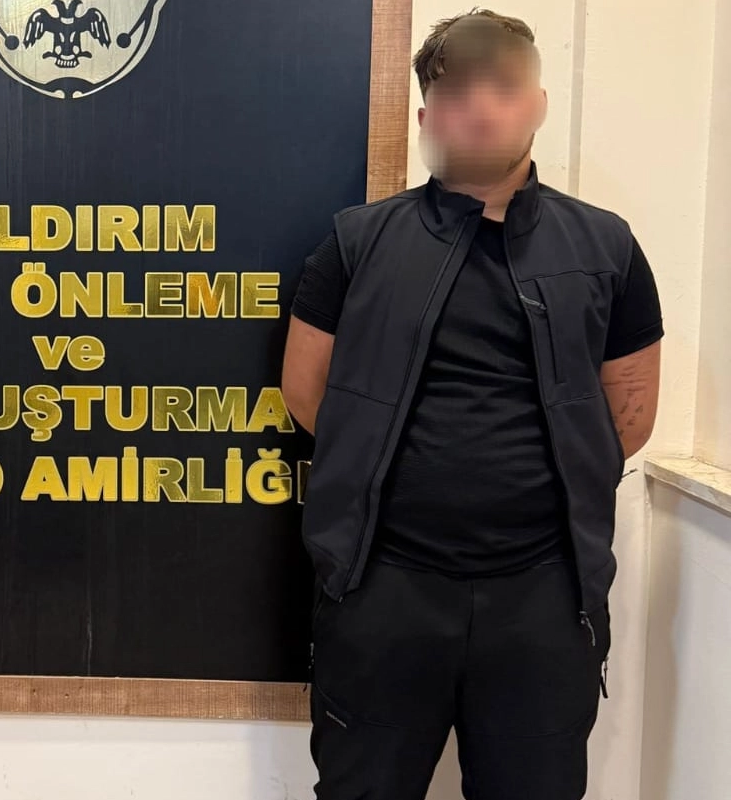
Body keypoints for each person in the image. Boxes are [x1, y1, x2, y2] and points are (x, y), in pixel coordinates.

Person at [281, 9, 664, 800]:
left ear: (538, 103)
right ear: (428, 117)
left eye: (504, 87)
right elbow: (308, 396)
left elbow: (628, 415)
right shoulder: (356, 244)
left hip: (544, 599)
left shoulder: (607, 248)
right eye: (457, 93)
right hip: (382, 592)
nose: (482, 109)